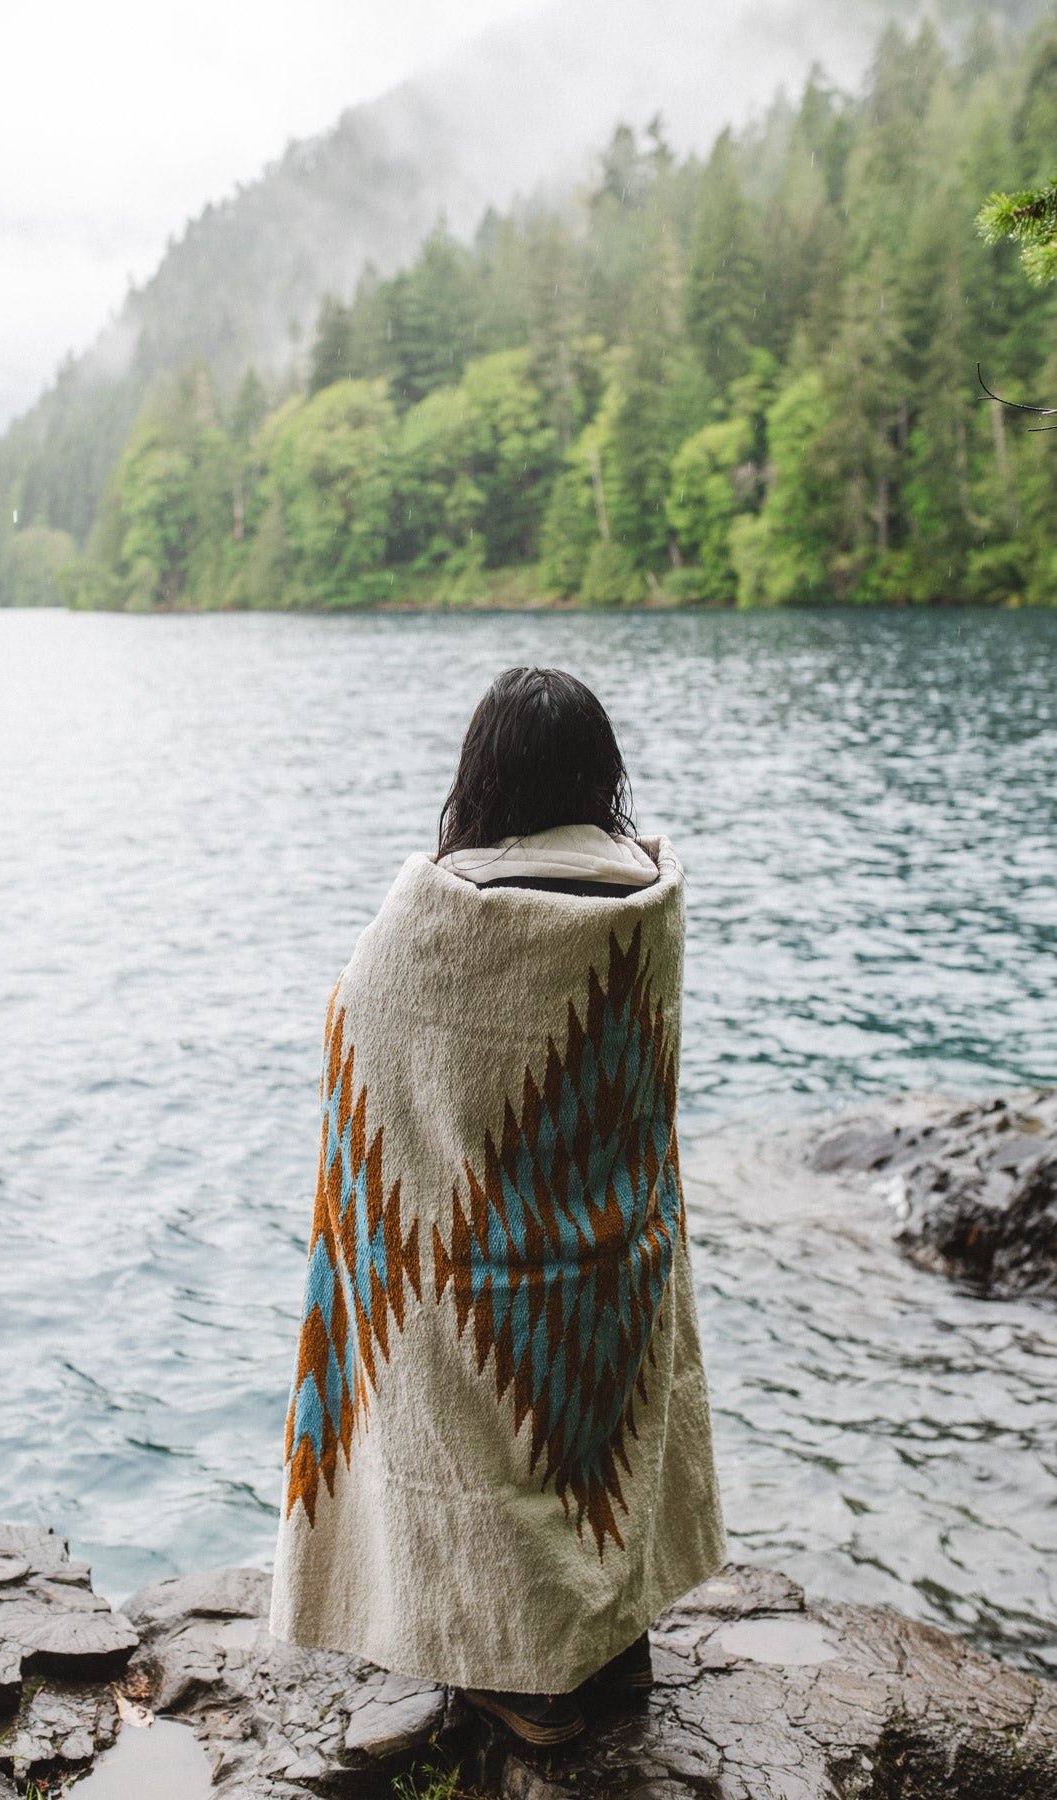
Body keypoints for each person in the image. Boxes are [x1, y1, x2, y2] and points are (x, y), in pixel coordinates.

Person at [270, 666, 724, 1746]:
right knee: (581, 1433)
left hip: (477, 1266)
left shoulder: (443, 903)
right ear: (597, 773)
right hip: (615, 1252)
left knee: (417, 1309)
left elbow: (359, 1041)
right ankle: (607, 1641)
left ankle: (520, 1679)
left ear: (481, 776)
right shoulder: (645, 892)